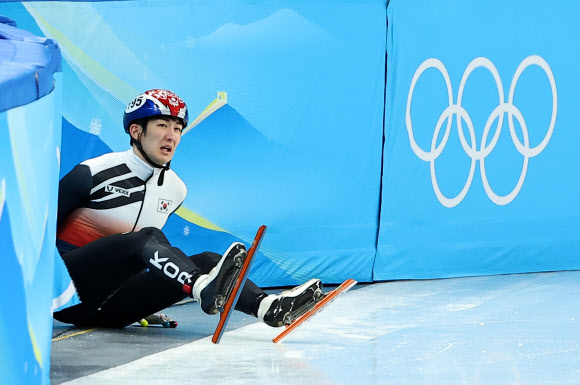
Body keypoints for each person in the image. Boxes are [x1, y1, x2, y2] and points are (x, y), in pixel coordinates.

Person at [53, 89, 321, 328]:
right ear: (136, 131)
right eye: (162, 125)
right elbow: (35, 237)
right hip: (68, 297)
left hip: (112, 310)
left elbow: (136, 260)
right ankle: (201, 287)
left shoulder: (175, 190)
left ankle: (267, 307)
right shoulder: (93, 172)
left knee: (207, 261)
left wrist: (146, 300)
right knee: (148, 238)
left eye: (178, 128)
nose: (172, 136)